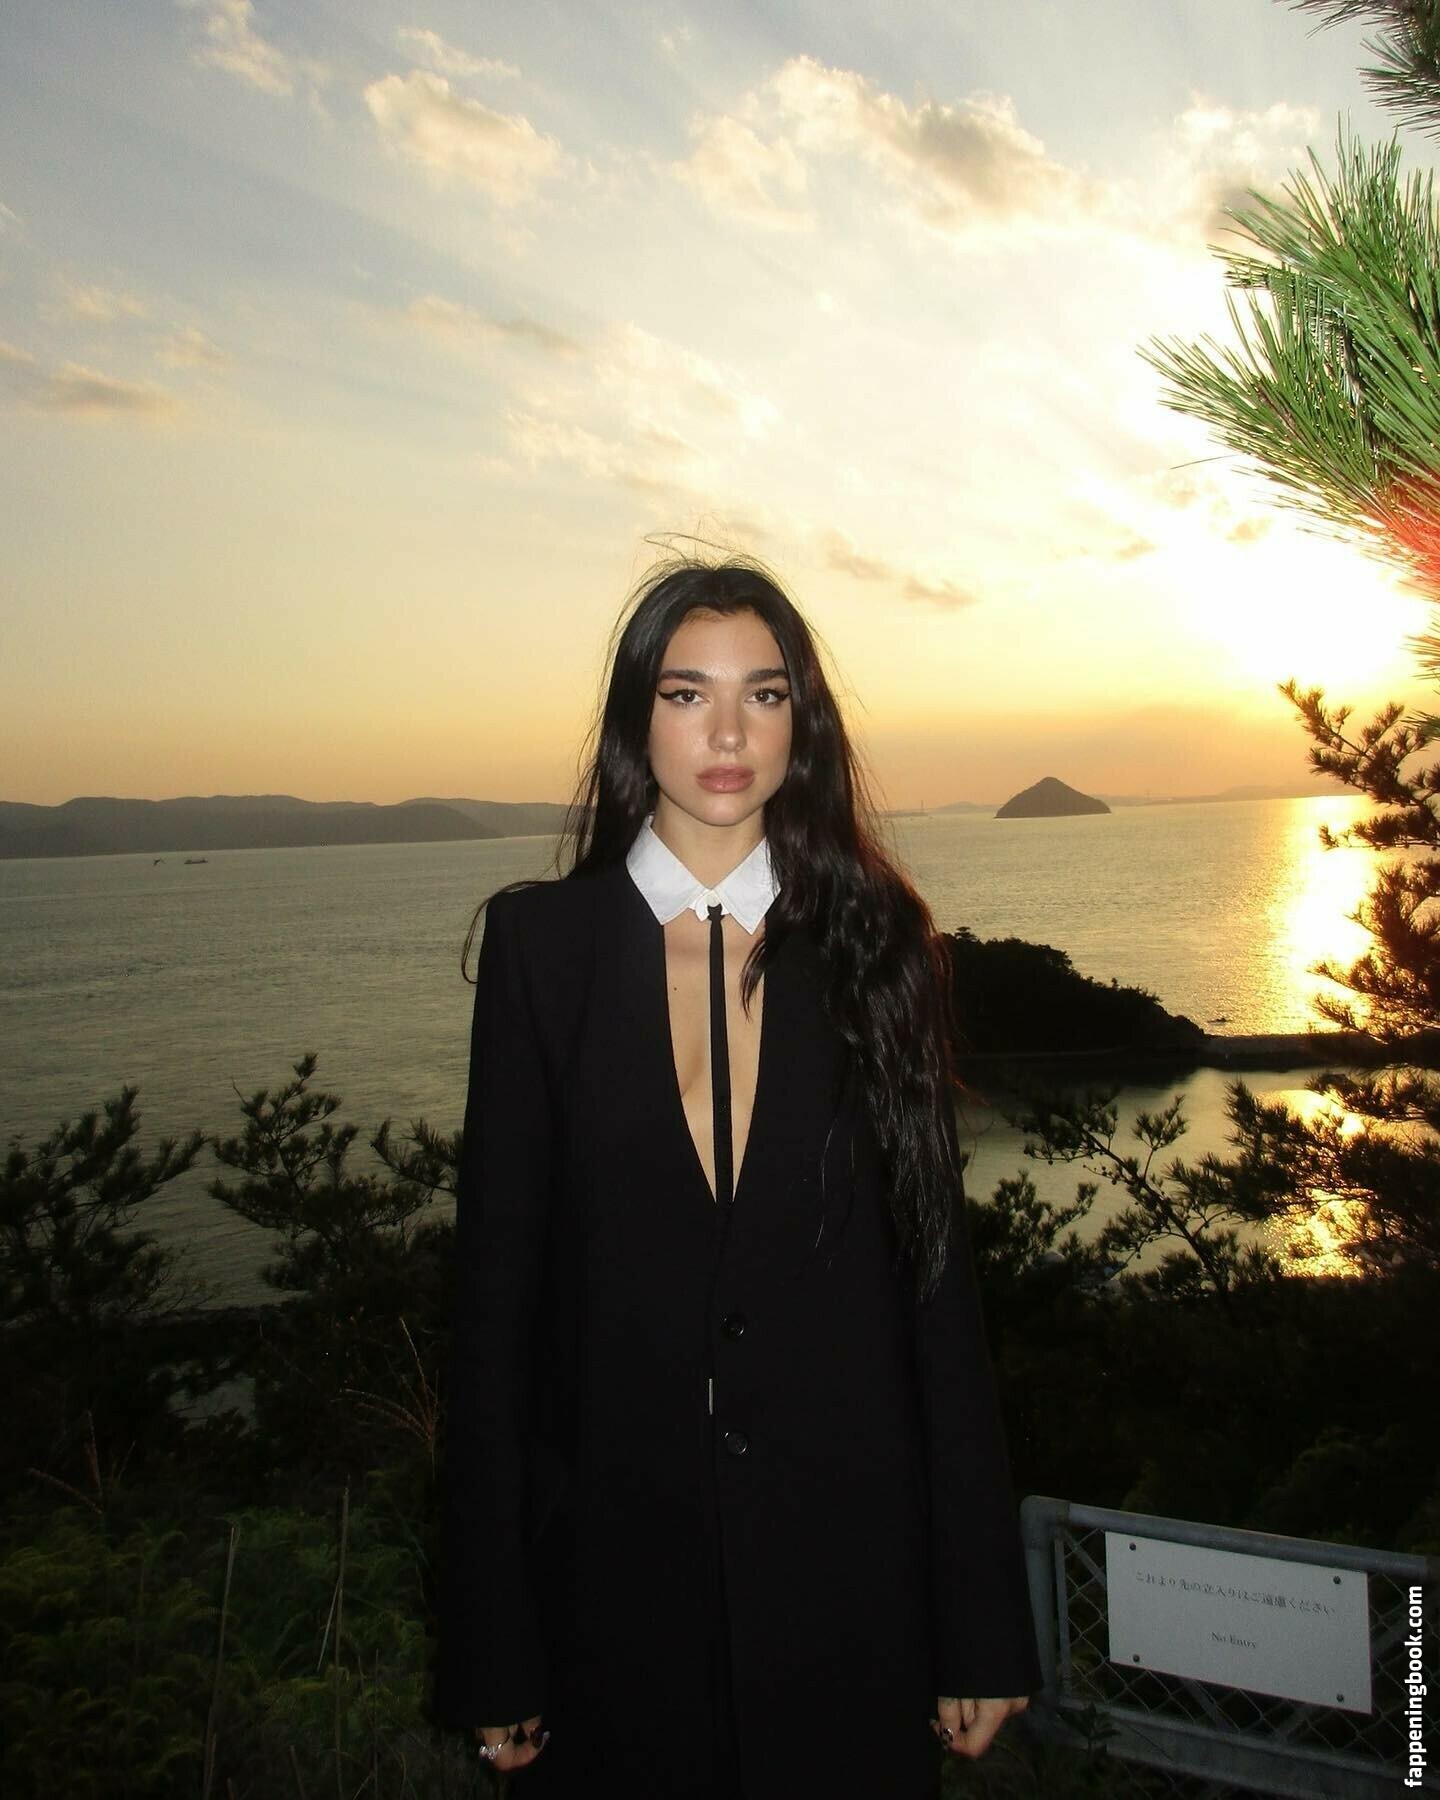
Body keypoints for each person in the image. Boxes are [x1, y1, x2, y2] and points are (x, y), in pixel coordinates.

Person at [433, 553, 1039, 1797]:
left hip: (850, 1583)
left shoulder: (879, 944)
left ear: (800, 721)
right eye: (686, 693)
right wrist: (494, 1641)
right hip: (611, 1592)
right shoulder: (542, 951)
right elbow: (495, 1313)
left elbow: (937, 1296)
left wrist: (977, 1619)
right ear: (635, 719)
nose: (726, 733)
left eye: (763, 695)